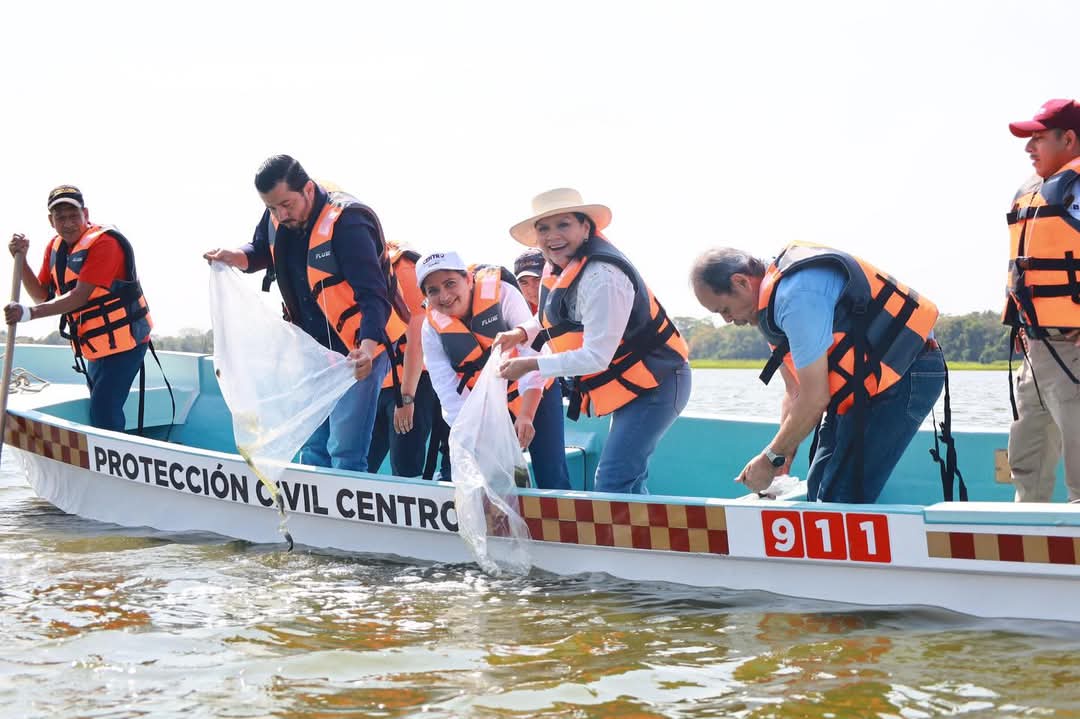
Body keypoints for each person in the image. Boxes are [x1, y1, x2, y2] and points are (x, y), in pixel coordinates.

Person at [690, 243, 945, 503]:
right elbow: (796, 389)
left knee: (839, 498)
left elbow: (814, 398)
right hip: (863, 385)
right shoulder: (770, 303)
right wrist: (783, 455)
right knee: (818, 489)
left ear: (741, 282)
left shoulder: (795, 297)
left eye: (724, 309)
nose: (727, 320)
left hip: (906, 371)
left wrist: (769, 459)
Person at [203, 155, 408, 472]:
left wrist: (367, 350)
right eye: (272, 208)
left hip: (360, 348)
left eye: (286, 204)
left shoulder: (349, 223)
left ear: (309, 190)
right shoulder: (277, 215)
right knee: (313, 442)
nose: (280, 214)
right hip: (312, 351)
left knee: (344, 447)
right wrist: (235, 257)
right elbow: (260, 250)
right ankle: (309, 515)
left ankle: (344, 516)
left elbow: (374, 295)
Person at [497, 188, 690, 495]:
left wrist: (530, 364)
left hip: (658, 383)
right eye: (543, 228)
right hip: (630, 385)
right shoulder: (557, 267)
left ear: (586, 228)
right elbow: (552, 317)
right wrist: (520, 333)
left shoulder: (603, 276)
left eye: (563, 224)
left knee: (614, 480)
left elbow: (596, 357)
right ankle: (638, 542)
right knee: (628, 479)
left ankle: (623, 543)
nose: (552, 236)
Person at [418, 251, 570, 490]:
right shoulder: (431, 328)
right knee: (485, 480)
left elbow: (535, 354)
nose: (444, 296)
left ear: (468, 279)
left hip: (535, 394)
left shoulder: (504, 295)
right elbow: (446, 388)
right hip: (483, 410)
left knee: (551, 477)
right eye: (433, 290)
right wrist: (478, 435)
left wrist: (526, 415)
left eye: (450, 284)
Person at [5, 185, 153, 431]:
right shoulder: (55, 248)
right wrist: (20, 261)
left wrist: (28, 313)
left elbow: (79, 297)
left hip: (126, 344)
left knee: (104, 408)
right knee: (101, 407)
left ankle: (111, 465)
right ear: (51, 221)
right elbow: (42, 296)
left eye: (74, 215)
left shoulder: (105, 243)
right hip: (95, 347)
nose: (68, 223)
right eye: (60, 217)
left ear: (85, 213)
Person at [1002, 98, 1080, 502]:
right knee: (1027, 460)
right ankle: (1025, 544)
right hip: (1035, 348)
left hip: (1072, 349)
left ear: (1068, 139)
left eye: (1037, 139)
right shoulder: (1033, 193)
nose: (1028, 148)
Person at [367, 240, 437, 477]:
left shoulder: (402, 268)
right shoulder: (353, 272)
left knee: (406, 470)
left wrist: (406, 398)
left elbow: (416, 337)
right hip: (375, 387)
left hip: (412, 386)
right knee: (359, 467)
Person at [513, 248, 545, 314]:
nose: (531, 289)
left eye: (537, 279)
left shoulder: (568, 301)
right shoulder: (514, 309)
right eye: (524, 283)